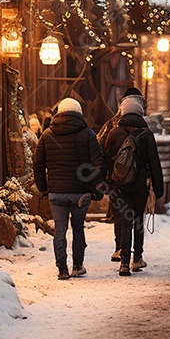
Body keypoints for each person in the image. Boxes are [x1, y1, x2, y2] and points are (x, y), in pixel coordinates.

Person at [33, 98, 104, 280]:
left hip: (56, 192)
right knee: (78, 228)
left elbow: (38, 165)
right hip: (80, 192)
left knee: (60, 230)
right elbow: (98, 165)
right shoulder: (88, 134)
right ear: (78, 113)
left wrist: (44, 188)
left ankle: (62, 269)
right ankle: (78, 266)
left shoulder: (47, 135)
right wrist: (94, 189)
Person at [102, 95, 163, 276]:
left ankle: (123, 263)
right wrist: (158, 189)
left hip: (119, 187)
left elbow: (106, 159)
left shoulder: (114, 133)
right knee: (137, 220)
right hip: (139, 186)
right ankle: (137, 259)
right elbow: (154, 163)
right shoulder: (146, 135)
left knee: (125, 222)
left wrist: (107, 183)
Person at [97, 87, 146, 257]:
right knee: (136, 217)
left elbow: (100, 149)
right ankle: (136, 254)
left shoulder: (111, 124)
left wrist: (104, 176)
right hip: (138, 180)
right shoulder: (143, 124)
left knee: (120, 215)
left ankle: (120, 248)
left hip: (116, 179)